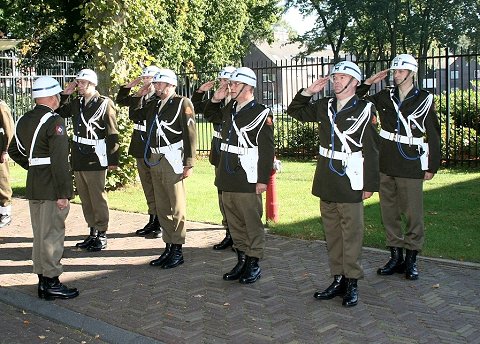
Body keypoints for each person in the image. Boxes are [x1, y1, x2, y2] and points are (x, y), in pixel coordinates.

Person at [287, 61, 379, 307]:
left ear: (355, 82)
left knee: (352, 234)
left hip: (351, 179)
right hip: (327, 178)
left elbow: (371, 148)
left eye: (342, 77)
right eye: (335, 77)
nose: (336, 81)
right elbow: (294, 111)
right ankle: (338, 278)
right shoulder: (324, 105)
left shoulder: (364, 109)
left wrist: (369, 184)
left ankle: (352, 282)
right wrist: (308, 92)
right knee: (332, 234)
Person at [357, 54, 441, 280]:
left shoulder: (424, 99)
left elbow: (434, 133)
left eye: (400, 72)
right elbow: (355, 100)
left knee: (413, 213)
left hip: (411, 162)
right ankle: (395, 256)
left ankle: (411, 259)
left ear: (412, 73)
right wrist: (368, 82)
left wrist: (432, 165)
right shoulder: (385, 96)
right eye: (394, 72)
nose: (396, 75)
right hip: (386, 160)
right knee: (389, 212)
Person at [8, 76, 79, 300]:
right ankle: (51, 282)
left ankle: (42, 280)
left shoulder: (24, 119)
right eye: (57, 95)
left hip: (35, 183)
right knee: (52, 235)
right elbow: (60, 161)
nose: (59, 98)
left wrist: (33, 166)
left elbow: (13, 150)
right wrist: (64, 193)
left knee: (39, 234)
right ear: (50, 97)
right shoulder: (54, 121)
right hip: (51, 186)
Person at [203, 67, 275, 284]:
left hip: (247, 175)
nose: (230, 87)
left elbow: (267, 149)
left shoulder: (261, 112)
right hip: (227, 175)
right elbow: (209, 114)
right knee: (234, 221)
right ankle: (241, 259)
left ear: (248, 87)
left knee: (250, 222)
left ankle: (253, 262)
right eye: (231, 84)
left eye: (235, 84)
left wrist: (263, 180)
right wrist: (216, 97)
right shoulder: (229, 109)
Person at [131, 69, 196, 269]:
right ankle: (168, 245)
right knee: (162, 205)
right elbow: (135, 115)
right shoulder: (154, 104)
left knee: (176, 206)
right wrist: (138, 96)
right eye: (157, 84)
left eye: (160, 84)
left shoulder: (182, 103)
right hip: (155, 157)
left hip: (173, 158)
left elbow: (190, 133)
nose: (157, 87)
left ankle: (177, 248)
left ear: (171, 85)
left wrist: (189, 162)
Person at [58, 69, 119, 252]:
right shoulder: (77, 102)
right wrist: (65, 94)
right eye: (78, 82)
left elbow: (112, 133)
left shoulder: (104, 104)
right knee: (85, 196)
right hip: (79, 155)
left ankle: (102, 233)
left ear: (92, 84)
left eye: (82, 83)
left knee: (97, 197)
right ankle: (92, 231)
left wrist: (113, 159)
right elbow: (60, 112)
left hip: (95, 156)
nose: (79, 86)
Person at [191, 66, 236, 250]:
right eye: (223, 81)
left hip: (234, 151)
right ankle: (229, 231)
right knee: (222, 194)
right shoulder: (216, 101)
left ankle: (238, 232)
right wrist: (201, 91)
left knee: (236, 195)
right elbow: (195, 106)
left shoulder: (238, 102)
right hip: (219, 149)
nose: (225, 84)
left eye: (228, 81)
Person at [116, 65, 163, 238]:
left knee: (158, 185)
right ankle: (152, 218)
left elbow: (135, 115)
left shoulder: (157, 99)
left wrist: (138, 97)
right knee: (147, 185)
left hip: (152, 143)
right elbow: (120, 100)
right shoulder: (140, 95)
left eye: (149, 78)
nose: (146, 82)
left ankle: (161, 222)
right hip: (140, 143)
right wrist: (129, 86)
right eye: (143, 78)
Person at [0, 99, 13, 228]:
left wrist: (6, 150)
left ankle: (5, 213)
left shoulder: (1, 106)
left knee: (2, 181)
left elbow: (9, 129)